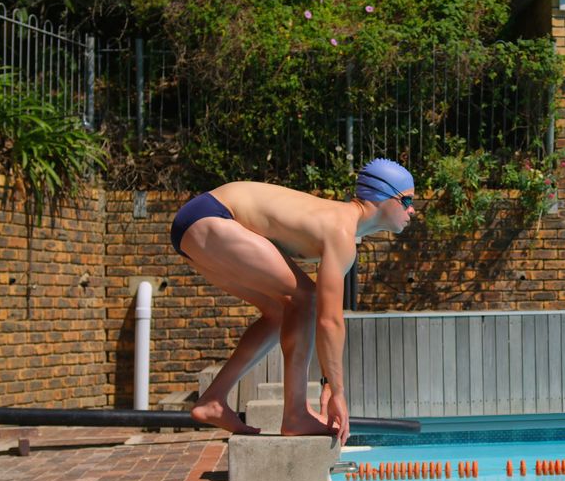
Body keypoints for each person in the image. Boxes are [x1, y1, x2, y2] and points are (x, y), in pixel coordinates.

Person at [169, 158, 415, 444]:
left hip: (198, 222)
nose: (411, 210)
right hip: (213, 216)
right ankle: (296, 413)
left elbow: (326, 321)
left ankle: (213, 399)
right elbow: (329, 319)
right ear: (383, 197)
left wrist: (328, 381)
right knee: (305, 299)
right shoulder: (341, 230)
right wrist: (338, 392)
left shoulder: (339, 222)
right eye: (407, 200)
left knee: (279, 311)